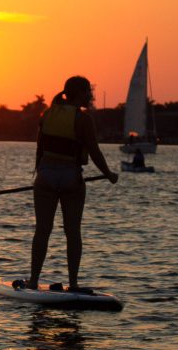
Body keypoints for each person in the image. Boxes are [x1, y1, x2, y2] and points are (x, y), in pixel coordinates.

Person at [27, 76, 118, 292]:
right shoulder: (83, 119)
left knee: (42, 230)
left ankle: (33, 281)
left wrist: (41, 174)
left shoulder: (47, 114)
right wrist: (109, 174)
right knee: (73, 231)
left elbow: (40, 150)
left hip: (46, 176)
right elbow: (94, 151)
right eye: (88, 91)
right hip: (70, 178)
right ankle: (73, 283)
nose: (91, 96)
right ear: (78, 93)